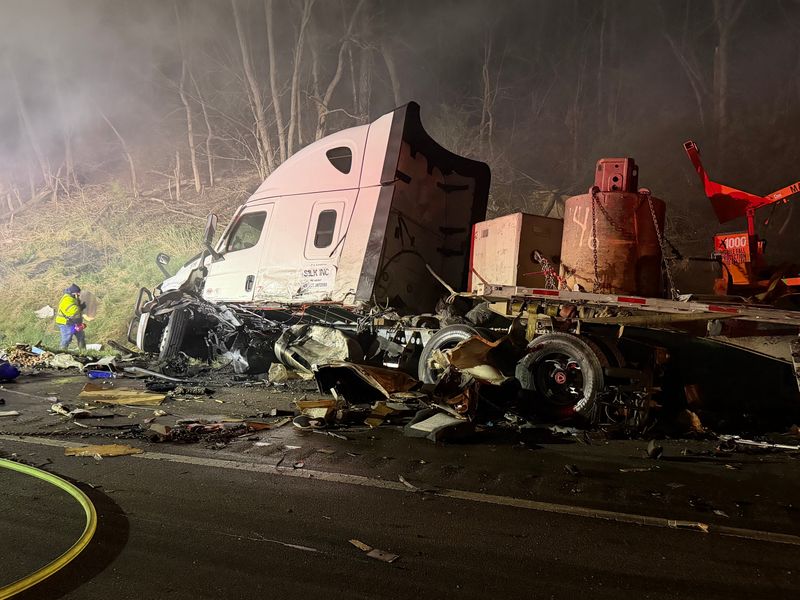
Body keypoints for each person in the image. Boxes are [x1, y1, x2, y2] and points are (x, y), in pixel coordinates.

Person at [55, 283, 87, 351]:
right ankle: (62, 352)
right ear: (73, 293)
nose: (78, 295)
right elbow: (73, 310)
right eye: (77, 293)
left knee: (81, 336)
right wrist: (81, 307)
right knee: (67, 338)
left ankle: (83, 351)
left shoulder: (73, 298)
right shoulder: (66, 299)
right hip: (66, 323)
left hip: (74, 322)